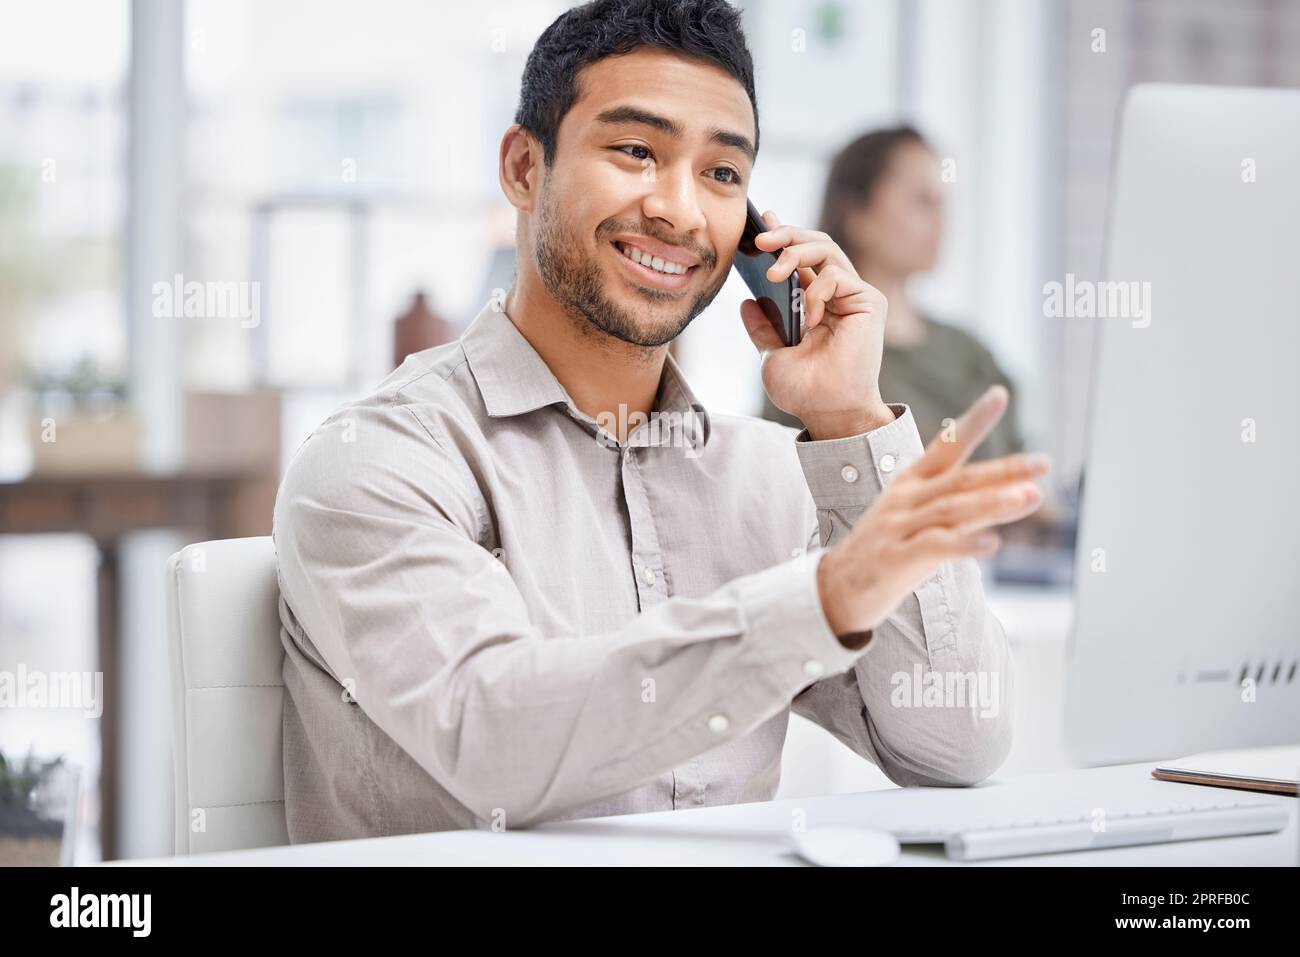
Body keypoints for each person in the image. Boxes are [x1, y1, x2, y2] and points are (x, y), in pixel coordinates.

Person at [273, 0, 1048, 843]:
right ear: (524, 167)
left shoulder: (766, 477)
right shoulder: (377, 463)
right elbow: (493, 739)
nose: (680, 212)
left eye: (722, 174)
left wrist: (848, 416)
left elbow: (958, 745)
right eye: (637, 150)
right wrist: (817, 603)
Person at [764, 126, 1025, 463]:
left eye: (942, 203)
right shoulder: (812, 353)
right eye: (922, 201)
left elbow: (1022, 476)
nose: (941, 221)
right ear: (856, 212)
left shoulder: (971, 353)